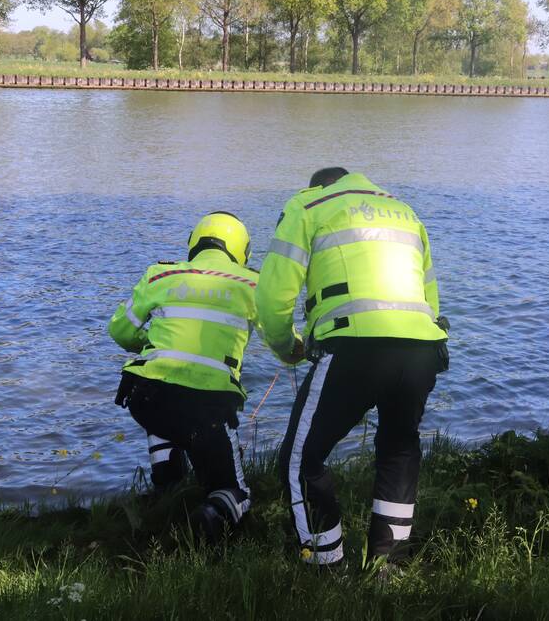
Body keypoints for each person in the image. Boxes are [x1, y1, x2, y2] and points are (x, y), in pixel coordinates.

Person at [255, 167, 449, 566]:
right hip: (421, 346)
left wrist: (287, 348)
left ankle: (326, 566)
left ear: (317, 186)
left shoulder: (306, 206)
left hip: (354, 345)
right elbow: (430, 294)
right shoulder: (404, 211)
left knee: (300, 458)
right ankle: (388, 565)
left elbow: (272, 298)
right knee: (398, 448)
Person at [108, 212, 259, 540]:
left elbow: (119, 330)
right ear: (242, 249)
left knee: (165, 413)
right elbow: (278, 333)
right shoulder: (252, 284)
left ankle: (168, 487)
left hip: (146, 396)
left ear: (194, 241)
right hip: (208, 407)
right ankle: (209, 518)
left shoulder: (160, 275)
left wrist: (151, 344)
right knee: (235, 492)